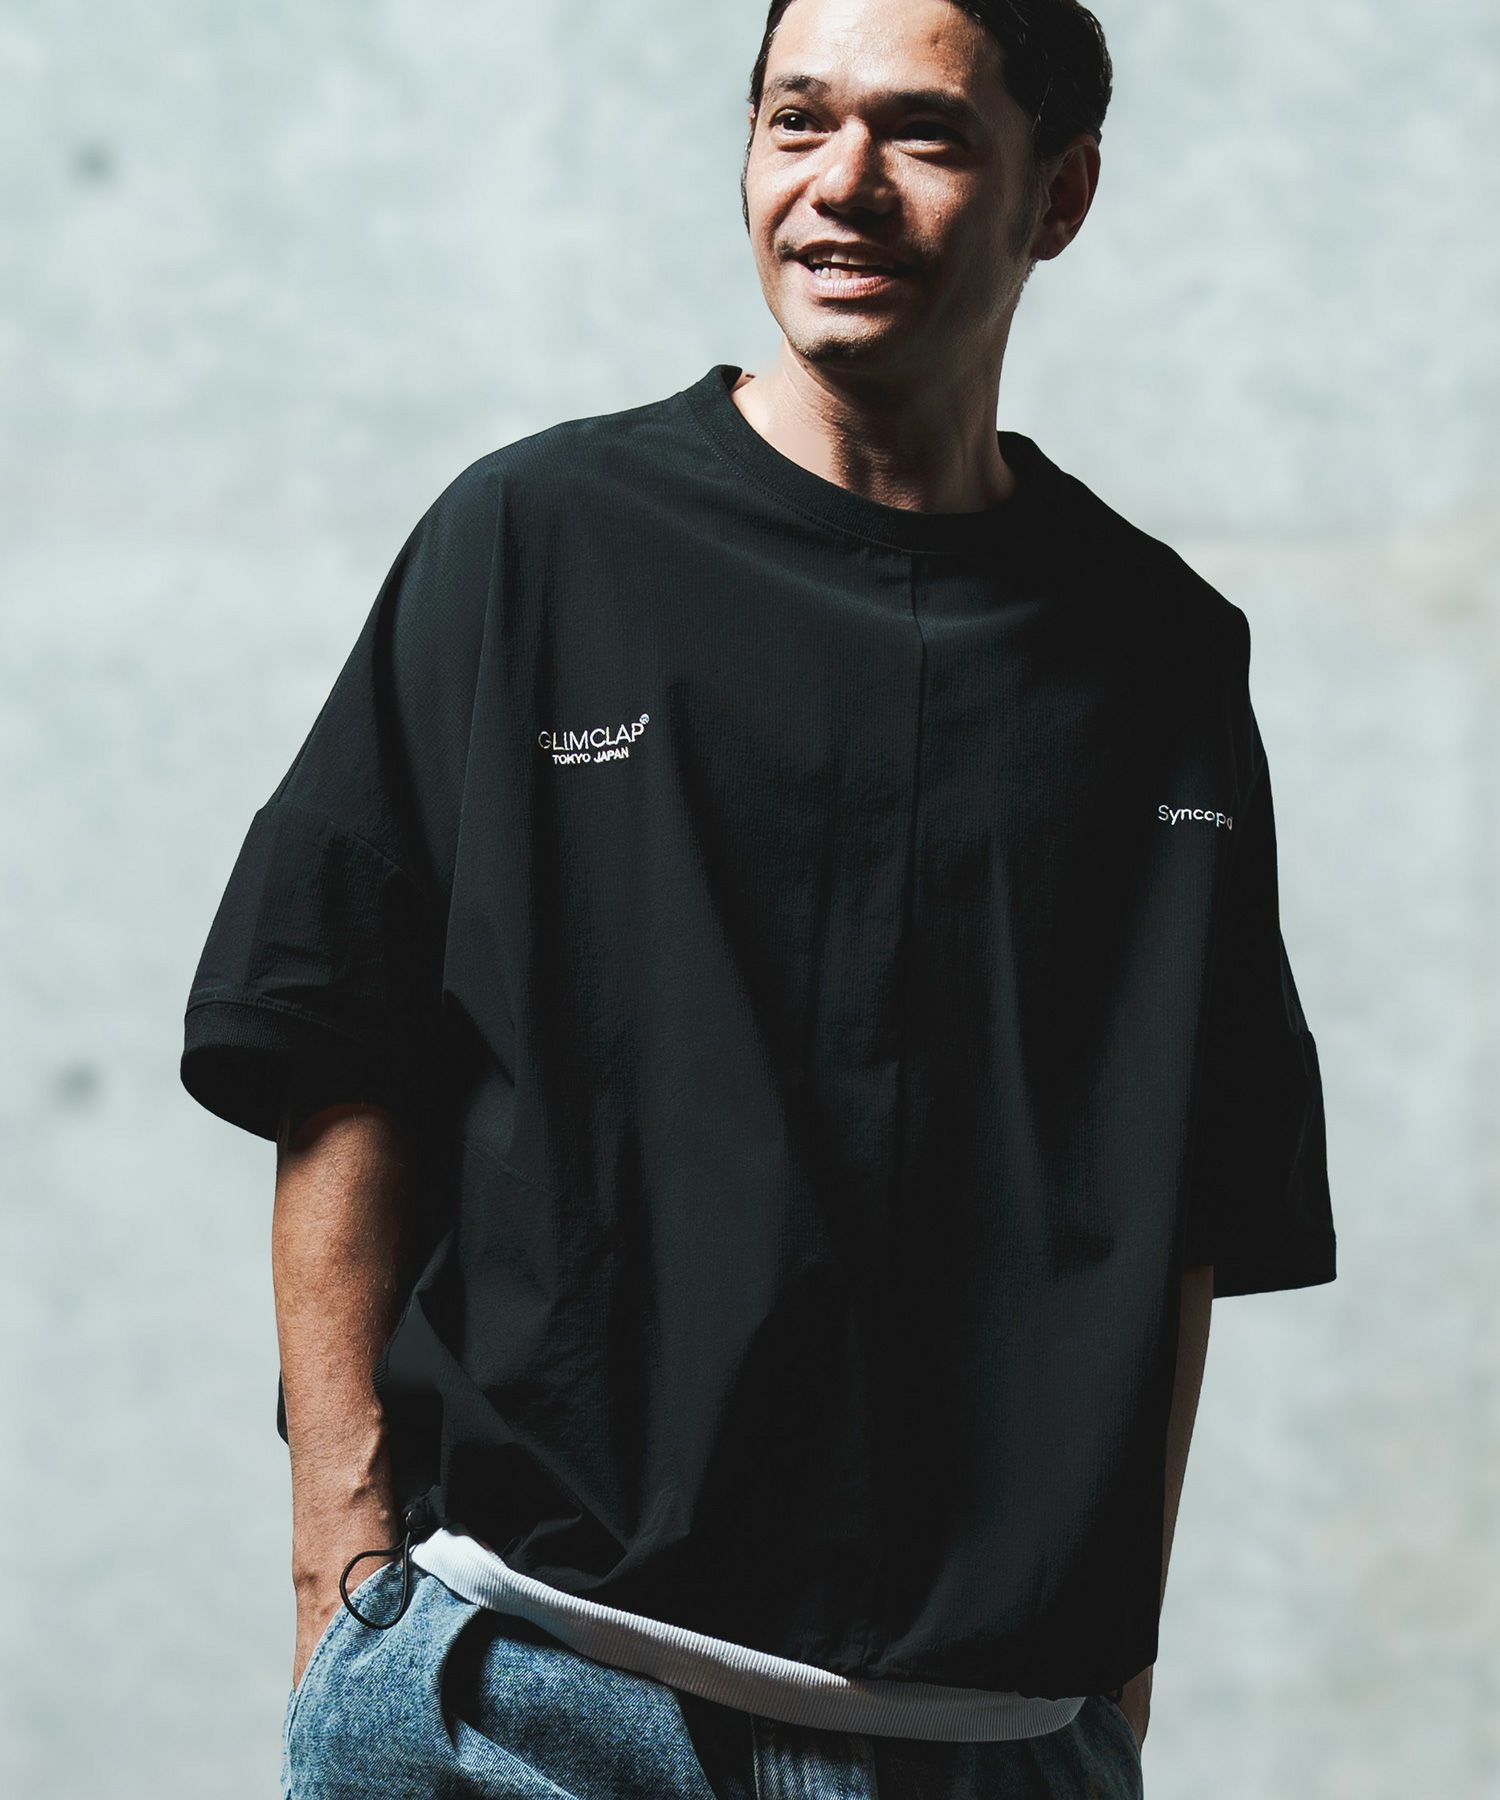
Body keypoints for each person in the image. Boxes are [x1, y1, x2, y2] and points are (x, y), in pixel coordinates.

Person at [180, 1, 1338, 1795]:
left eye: (923, 133)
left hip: (988, 1749)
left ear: (1061, 195)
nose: (840, 183)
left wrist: (1112, 1679)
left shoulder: (1165, 659)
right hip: (524, 1701)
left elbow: (1178, 1192)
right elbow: (335, 1042)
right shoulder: (539, 542)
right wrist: (345, 1576)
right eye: (797, 120)